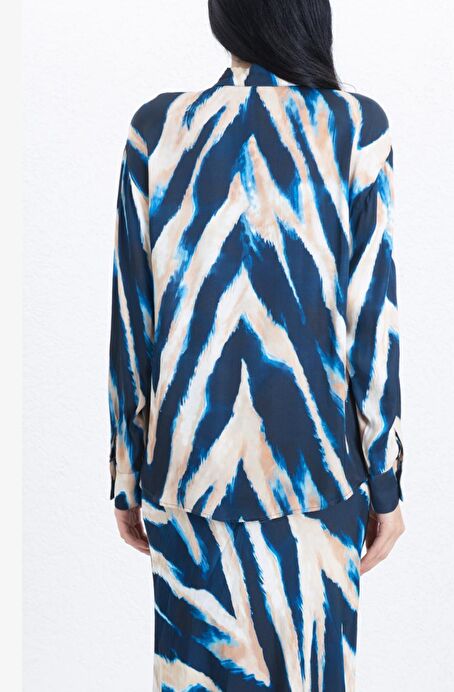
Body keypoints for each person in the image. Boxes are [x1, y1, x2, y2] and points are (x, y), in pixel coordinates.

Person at [107, 0, 405, 688]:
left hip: (186, 474)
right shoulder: (355, 128)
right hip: (316, 475)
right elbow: (372, 323)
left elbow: (131, 318)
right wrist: (385, 483)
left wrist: (126, 475)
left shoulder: (157, 129)